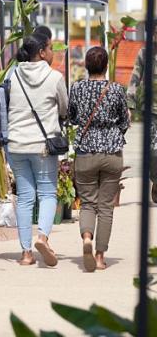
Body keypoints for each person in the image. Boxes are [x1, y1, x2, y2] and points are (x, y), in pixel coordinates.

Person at [7, 33, 68, 266]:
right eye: (51, 48)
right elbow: (64, 109)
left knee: (24, 198)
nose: (53, 53)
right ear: (42, 52)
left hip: (16, 144)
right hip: (43, 146)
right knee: (47, 194)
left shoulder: (13, 75)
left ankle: (26, 253)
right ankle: (42, 237)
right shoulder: (55, 78)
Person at [69, 47, 129, 272]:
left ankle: (86, 238)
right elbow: (124, 120)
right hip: (112, 152)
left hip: (86, 151)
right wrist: (115, 132)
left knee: (87, 202)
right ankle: (101, 256)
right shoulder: (115, 89)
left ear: (86, 65)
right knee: (106, 207)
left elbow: (72, 116)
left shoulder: (77, 88)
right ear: (106, 66)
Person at [126, 40, 157, 203]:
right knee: (152, 152)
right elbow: (134, 79)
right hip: (150, 109)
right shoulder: (145, 54)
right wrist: (129, 104)